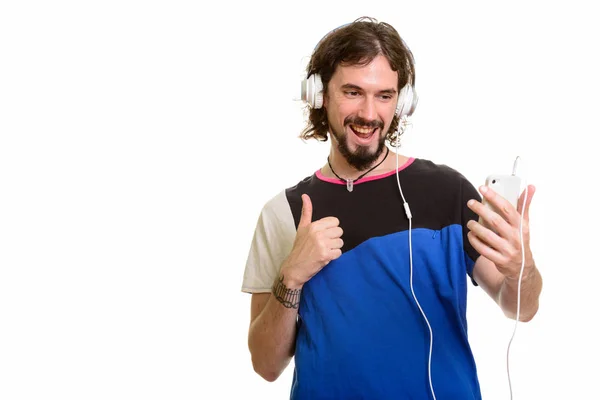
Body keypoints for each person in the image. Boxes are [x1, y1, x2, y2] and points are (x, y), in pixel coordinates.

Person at [241, 16, 543, 399]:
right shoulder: (283, 212)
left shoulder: (448, 192)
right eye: (352, 92)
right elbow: (266, 366)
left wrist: (523, 269)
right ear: (318, 95)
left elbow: (521, 307)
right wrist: (291, 277)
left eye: (384, 95)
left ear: (402, 102)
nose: (369, 114)